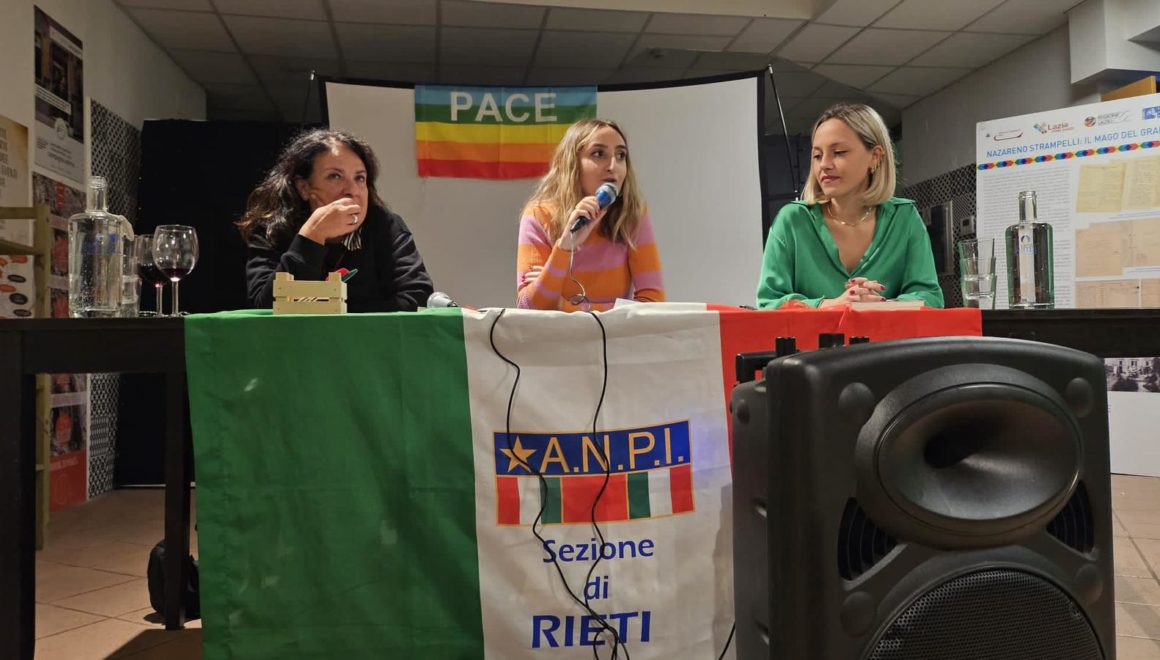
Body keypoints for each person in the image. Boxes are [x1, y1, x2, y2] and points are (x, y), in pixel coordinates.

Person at [756, 103, 943, 310]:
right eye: (817, 156)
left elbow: (931, 299)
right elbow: (769, 303)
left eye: (838, 152)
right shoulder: (792, 220)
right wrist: (833, 305)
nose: (824, 164)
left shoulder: (904, 218)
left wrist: (876, 306)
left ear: (875, 156)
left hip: (886, 333)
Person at [238, 129, 433, 312]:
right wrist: (312, 236)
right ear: (304, 188)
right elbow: (265, 309)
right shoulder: (272, 229)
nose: (352, 191)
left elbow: (418, 298)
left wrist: (334, 312)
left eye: (360, 178)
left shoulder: (385, 225)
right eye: (335, 176)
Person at [516, 119, 664, 312]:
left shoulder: (633, 215)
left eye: (621, 156)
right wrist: (565, 246)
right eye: (599, 154)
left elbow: (652, 304)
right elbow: (529, 307)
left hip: (611, 333)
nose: (613, 166)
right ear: (572, 163)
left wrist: (564, 306)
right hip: (555, 334)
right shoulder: (539, 215)